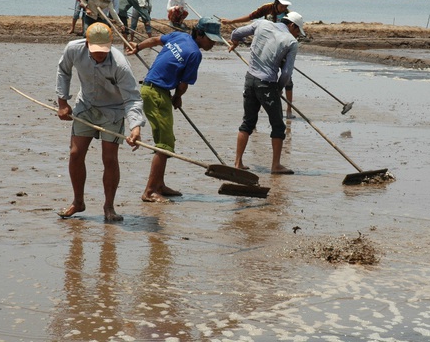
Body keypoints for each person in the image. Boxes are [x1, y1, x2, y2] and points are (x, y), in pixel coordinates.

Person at [56, 22, 146, 221]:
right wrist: (62, 101)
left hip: (113, 111)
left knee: (109, 158)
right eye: (95, 51)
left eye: (103, 51)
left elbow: (132, 98)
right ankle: (78, 202)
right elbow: (64, 70)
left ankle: (109, 207)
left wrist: (135, 127)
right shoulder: (73, 49)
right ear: (87, 43)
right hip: (86, 106)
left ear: (110, 44)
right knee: (75, 153)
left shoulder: (120, 64)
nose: (99, 55)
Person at [127, 16, 223, 203]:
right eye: (210, 39)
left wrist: (138, 47)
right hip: (156, 93)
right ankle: (150, 191)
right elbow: (183, 84)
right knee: (164, 146)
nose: (212, 43)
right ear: (200, 34)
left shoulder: (179, 36)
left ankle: (160, 184)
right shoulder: (195, 53)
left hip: (152, 89)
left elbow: (154, 40)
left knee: (167, 141)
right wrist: (177, 98)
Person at [229, 12, 305, 174]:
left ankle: (237, 162)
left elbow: (236, 33)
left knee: (248, 122)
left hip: (250, 79)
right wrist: (277, 89)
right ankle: (275, 165)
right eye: (298, 31)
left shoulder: (261, 24)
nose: (298, 35)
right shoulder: (291, 42)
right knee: (278, 125)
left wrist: (235, 42)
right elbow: (286, 74)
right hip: (267, 84)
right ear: (292, 25)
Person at [221, 0, 299, 118]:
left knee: (288, 79)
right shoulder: (267, 8)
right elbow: (251, 17)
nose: (284, 8)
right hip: (266, 47)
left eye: (286, 6)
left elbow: (292, 33)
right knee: (258, 76)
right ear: (276, 3)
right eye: (282, 5)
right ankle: (255, 107)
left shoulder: (288, 15)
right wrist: (231, 21)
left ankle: (289, 110)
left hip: (280, 48)